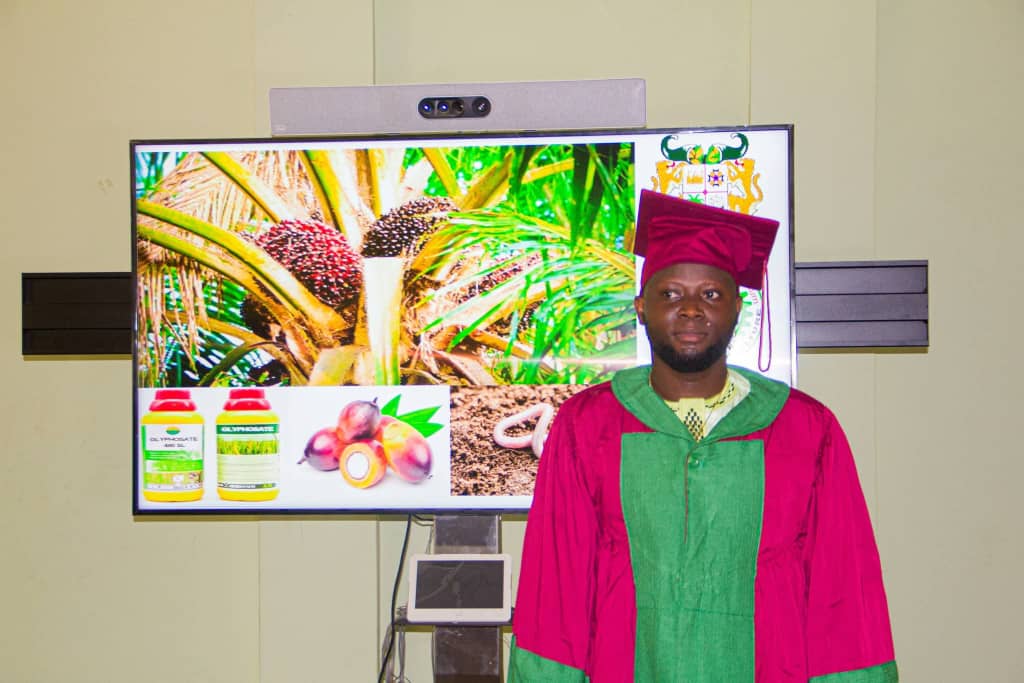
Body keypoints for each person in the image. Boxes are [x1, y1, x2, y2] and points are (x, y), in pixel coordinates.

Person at [508, 190, 898, 682]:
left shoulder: (805, 429)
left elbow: (844, 589)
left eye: (711, 294)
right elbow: (555, 589)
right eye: (670, 293)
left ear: (738, 308)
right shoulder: (586, 427)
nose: (690, 309)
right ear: (640, 308)